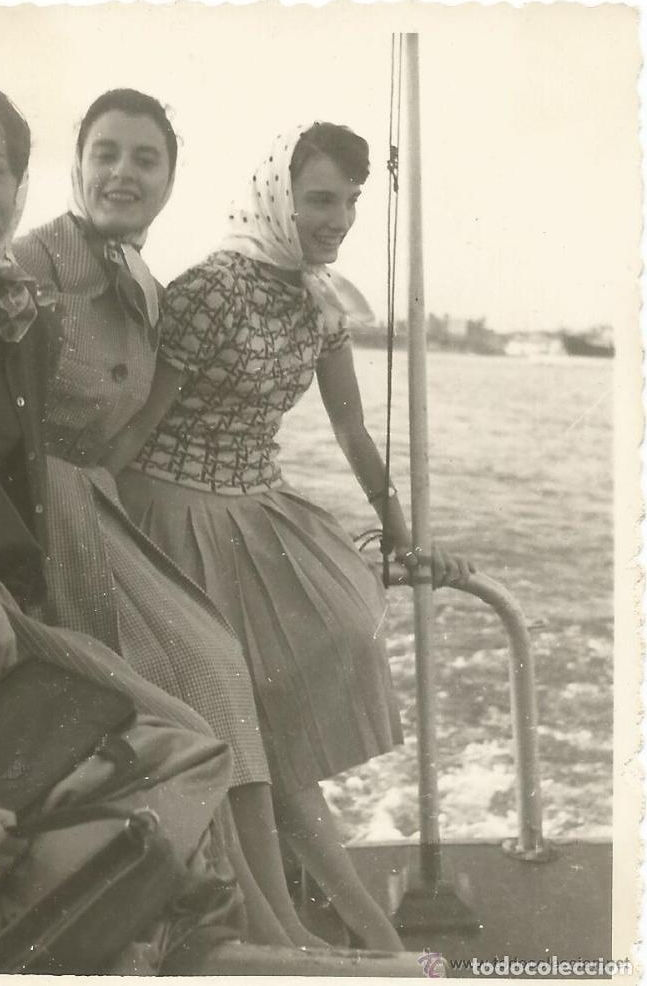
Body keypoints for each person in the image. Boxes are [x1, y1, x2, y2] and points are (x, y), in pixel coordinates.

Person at [0, 77, 314, 954]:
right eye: (104, 153)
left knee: (220, 676)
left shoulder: (143, 281)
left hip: (89, 511)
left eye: (145, 158)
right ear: (71, 170)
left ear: (172, 179)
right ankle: (241, 933)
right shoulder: (31, 264)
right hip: (45, 528)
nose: (123, 172)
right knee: (193, 688)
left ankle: (263, 925)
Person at [107, 122, 475, 949]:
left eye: (349, 201)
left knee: (319, 668)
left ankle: (363, 935)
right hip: (170, 517)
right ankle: (289, 933)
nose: (338, 218)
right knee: (232, 732)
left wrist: (402, 534)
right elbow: (138, 430)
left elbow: (350, 429)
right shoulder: (208, 291)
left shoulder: (318, 298)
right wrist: (86, 523)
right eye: (319, 200)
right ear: (279, 197)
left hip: (255, 512)